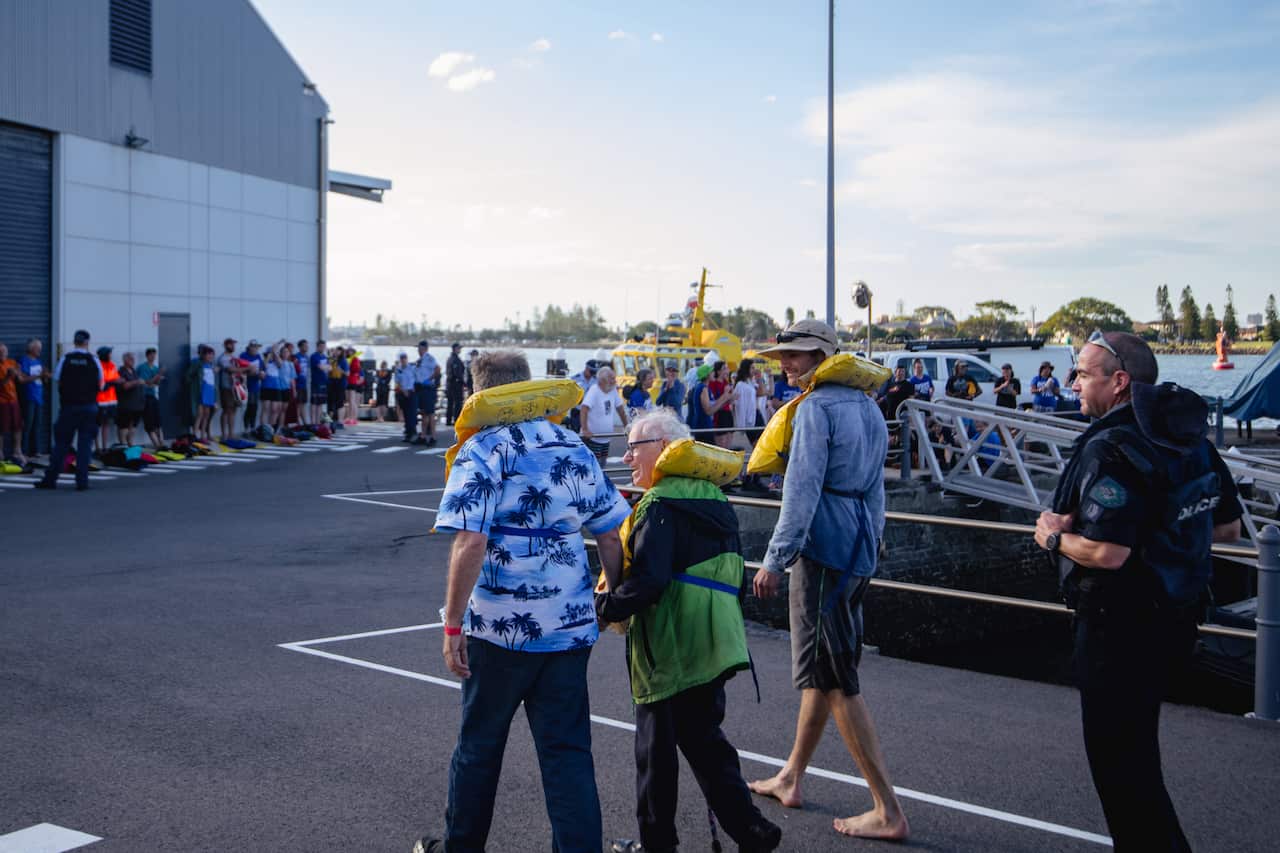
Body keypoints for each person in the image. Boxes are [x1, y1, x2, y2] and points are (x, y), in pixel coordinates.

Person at [1034, 332, 1241, 852]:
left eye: (1082, 373)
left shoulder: (1109, 448)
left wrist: (1053, 536)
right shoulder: (1189, 437)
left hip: (1116, 628)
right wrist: (1155, 531)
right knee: (1139, 760)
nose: (1071, 383)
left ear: (1119, 382)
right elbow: (1228, 529)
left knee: (1123, 776)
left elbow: (1108, 553)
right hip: (1175, 618)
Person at [415, 349, 628, 853]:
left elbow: (469, 541)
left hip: (499, 630)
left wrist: (452, 626)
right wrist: (615, 597)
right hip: (570, 627)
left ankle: (461, 846)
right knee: (567, 751)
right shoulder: (572, 444)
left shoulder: (483, 449)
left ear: (480, 392)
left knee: (480, 746)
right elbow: (610, 535)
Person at [747, 319, 909, 842]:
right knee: (825, 665)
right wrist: (874, 544)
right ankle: (791, 776)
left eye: (794, 356)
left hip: (824, 552)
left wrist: (775, 558)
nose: (786, 364)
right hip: (858, 549)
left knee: (837, 678)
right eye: (783, 357)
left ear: (820, 355)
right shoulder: (869, 407)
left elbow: (801, 491)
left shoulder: (815, 410)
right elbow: (876, 491)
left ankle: (887, 808)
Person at [596, 409, 782, 853]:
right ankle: (752, 830)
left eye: (634, 446)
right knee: (705, 743)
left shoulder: (660, 505)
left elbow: (650, 581)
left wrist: (602, 607)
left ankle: (657, 844)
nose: (626, 455)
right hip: (716, 641)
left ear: (663, 449)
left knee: (655, 755)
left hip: (672, 646)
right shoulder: (715, 501)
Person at [35, 330, 102, 491]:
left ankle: (51, 480)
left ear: (74, 342)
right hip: (89, 407)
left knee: (62, 444)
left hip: (69, 407)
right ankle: (82, 482)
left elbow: (58, 380)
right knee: (85, 445)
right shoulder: (93, 360)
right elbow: (101, 384)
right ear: (87, 342)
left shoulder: (66, 358)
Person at [580, 365, 627, 467]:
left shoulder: (613, 390)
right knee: (594, 466)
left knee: (603, 465)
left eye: (614, 378)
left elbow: (621, 409)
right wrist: (585, 429)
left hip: (606, 439)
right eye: (611, 379)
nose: (614, 381)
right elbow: (584, 409)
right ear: (602, 380)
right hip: (593, 438)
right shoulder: (594, 390)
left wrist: (627, 426)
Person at [18, 338, 48, 460]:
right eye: (38, 348)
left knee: (37, 424)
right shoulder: (24, 361)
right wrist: (39, 375)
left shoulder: (38, 361)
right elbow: (22, 379)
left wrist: (45, 376)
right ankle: (24, 451)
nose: (40, 350)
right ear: (31, 349)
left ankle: (36, 450)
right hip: (29, 396)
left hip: (38, 397)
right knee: (28, 425)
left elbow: (43, 379)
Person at [0, 343, 25, 466]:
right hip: (2, 401)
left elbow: (20, 379)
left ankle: (17, 451)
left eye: (4, 352)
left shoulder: (11, 362)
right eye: (1, 352)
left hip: (13, 400)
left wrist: (19, 372)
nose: (3, 354)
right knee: (1, 428)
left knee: (17, 427)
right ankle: (0, 453)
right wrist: (8, 377)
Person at [114, 352, 145, 448]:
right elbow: (124, 386)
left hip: (136, 405)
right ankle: (123, 445)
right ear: (125, 360)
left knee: (133, 426)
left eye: (133, 358)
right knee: (124, 426)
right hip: (125, 405)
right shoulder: (121, 372)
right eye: (130, 359)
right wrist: (136, 382)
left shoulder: (134, 371)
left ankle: (130, 444)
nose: (133, 360)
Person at [216, 338, 246, 439]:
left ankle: (231, 433)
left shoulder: (234, 357)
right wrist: (248, 368)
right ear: (226, 345)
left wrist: (242, 375)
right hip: (226, 386)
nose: (233, 346)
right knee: (227, 410)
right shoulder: (223, 358)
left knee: (233, 410)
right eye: (231, 344)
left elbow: (238, 370)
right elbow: (230, 369)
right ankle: (224, 434)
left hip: (235, 387)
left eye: (234, 344)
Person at [413, 340, 441, 445]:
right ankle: (423, 436)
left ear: (424, 348)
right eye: (418, 348)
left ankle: (433, 437)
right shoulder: (420, 360)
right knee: (424, 413)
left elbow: (437, 369)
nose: (418, 350)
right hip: (421, 389)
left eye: (420, 348)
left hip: (428, 388)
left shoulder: (429, 358)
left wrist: (428, 379)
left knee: (430, 414)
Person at [137, 347, 166, 449]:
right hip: (145, 397)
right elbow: (147, 382)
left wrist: (158, 378)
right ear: (147, 356)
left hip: (153, 396)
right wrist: (158, 376)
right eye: (151, 355)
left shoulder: (155, 368)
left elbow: (155, 383)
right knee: (149, 423)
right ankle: (156, 444)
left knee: (157, 421)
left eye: (154, 355)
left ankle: (161, 443)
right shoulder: (143, 367)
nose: (153, 357)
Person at [703, 361, 735, 449]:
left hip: (728, 413)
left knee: (729, 437)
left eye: (727, 368)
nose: (727, 371)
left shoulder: (726, 383)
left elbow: (729, 401)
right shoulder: (713, 384)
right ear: (718, 371)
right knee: (721, 441)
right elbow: (714, 401)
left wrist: (732, 397)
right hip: (719, 414)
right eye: (724, 368)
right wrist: (725, 394)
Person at [95, 346, 121, 452]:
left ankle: (105, 447)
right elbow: (100, 384)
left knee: (106, 424)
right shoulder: (98, 366)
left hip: (111, 401)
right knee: (97, 424)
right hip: (100, 401)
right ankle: (97, 447)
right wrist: (113, 382)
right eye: (109, 353)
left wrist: (118, 381)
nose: (111, 355)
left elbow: (116, 378)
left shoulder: (112, 365)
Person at [240, 339, 264, 431]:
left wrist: (262, 373)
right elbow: (241, 371)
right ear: (249, 347)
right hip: (246, 386)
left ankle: (252, 428)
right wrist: (251, 372)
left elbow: (261, 368)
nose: (255, 349)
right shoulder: (243, 356)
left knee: (254, 407)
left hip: (256, 385)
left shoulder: (258, 356)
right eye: (254, 347)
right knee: (249, 407)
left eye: (257, 347)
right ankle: (246, 428)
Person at [394, 352, 417, 440]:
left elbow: (416, 378)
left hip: (411, 392)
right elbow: (398, 382)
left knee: (412, 413)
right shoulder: (398, 369)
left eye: (404, 358)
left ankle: (413, 431)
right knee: (406, 414)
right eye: (402, 358)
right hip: (402, 392)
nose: (403, 360)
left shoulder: (412, 368)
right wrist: (403, 391)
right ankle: (408, 432)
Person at [309, 340, 330, 426]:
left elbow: (330, 368)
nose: (322, 348)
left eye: (323, 346)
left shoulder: (325, 356)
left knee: (320, 404)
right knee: (314, 403)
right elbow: (320, 367)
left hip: (324, 382)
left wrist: (325, 367)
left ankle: (318, 422)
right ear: (317, 347)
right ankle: (313, 422)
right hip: (316, 382)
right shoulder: (314, 356)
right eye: (321, 346)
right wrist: (325, 367)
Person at [445, 342, 466, 426]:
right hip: (455, 384)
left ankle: (448, 420)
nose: (460, 350)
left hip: (450, 383)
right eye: (459, 348)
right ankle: (456, 420)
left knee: (450, 403)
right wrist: (463, 383)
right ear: (455, 349)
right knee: (457, 402)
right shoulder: (455, 360)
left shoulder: (450, 358)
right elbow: (457, 373)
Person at [344, 347, 364, 424]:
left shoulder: (355, 359)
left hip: (352, 381)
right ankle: (349, 417)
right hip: (348, 381)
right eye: (348, 351)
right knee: (349, 401)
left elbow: (356, 369)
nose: (349, 353)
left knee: (352, 401)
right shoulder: (347, 359)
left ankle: (353, 418)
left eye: (351, 351)